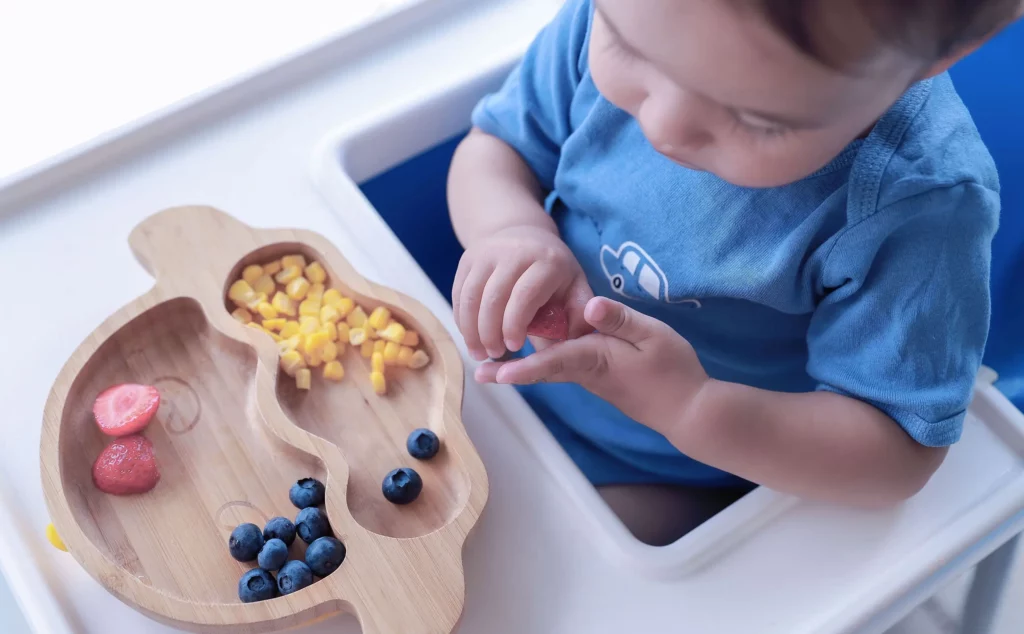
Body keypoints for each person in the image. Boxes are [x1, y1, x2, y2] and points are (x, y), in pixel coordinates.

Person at [446, 0, 1022, 545]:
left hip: (669, 471)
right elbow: (498, 147)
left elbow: (897, 455)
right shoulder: (634, 14)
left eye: (757, 120)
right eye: (627, 48)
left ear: (930, 60)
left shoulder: (917, 205)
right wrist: (510, 230)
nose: (665, 126)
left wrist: (694, 408)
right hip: (487, 380)